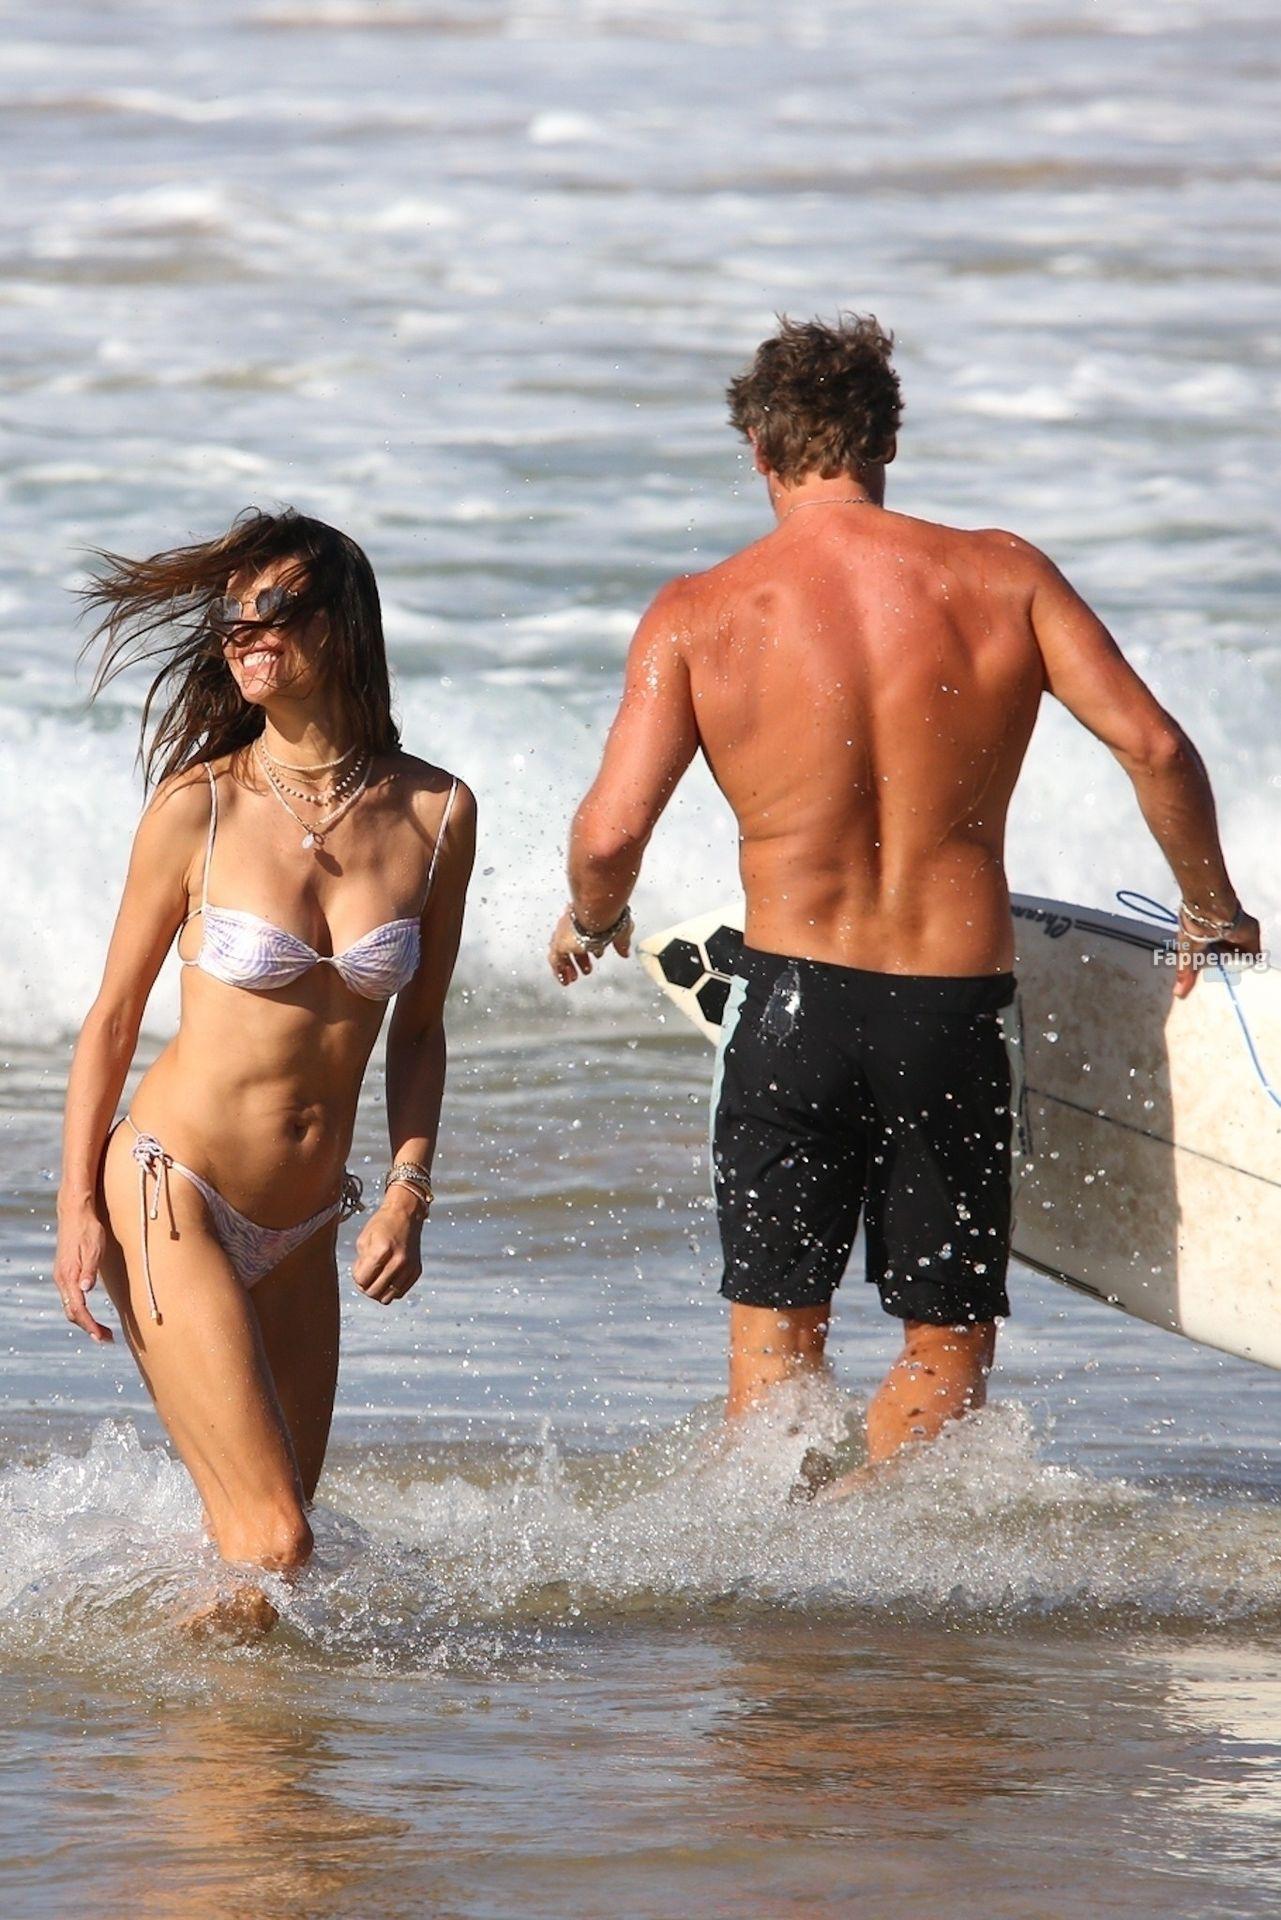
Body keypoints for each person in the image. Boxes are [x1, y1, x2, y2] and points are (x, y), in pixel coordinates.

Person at [548, 313, 1259, 1487]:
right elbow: (1157, 749)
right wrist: (1212, 912)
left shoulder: (698, 611)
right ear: (886, 440)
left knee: (777, 1343)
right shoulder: (1005, 577)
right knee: (944, 1339)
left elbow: (610, 833)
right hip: (950, 1006)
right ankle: (877, 1542)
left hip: (789, 1006)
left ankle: (776, 1571)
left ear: (759, 452)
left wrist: (595, 916)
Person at [53, 509, 475, 1630]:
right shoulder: (199, 806)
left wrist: (409, 1188)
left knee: (271, 1571)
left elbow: (420, 1030)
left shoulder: (436, 811)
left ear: (342, 626)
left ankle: (173, 1728)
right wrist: (75, 1207)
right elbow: (111, 1019)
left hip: (305, 1226)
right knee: (276, 1538)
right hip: (168, 1188)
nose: (244, 634)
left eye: (272, 611)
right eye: (231, 617)